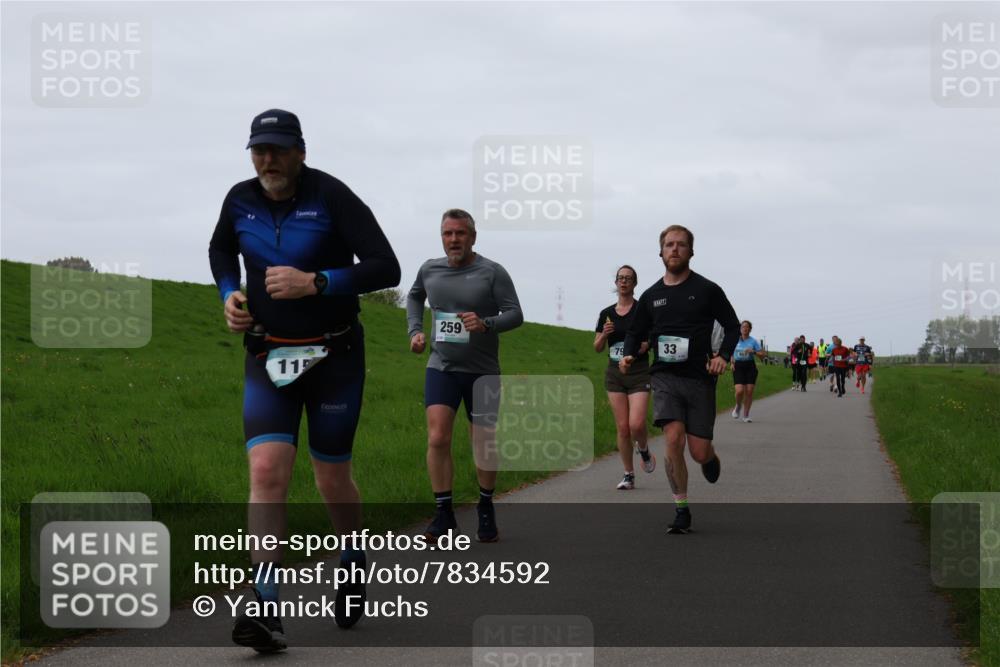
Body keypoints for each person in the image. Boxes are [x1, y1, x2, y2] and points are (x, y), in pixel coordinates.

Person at [209, 109, 401, 652]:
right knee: (266, 470)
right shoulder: (239, 199)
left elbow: (386, 267)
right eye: (259, 150)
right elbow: (220, 249)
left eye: (277, 149)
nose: (267, 160)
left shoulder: (332, 196)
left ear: (300, 152)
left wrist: (316, 282)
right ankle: (265, 605)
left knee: (330, 479)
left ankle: (352, 554)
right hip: (268, 355)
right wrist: (229, 293)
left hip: (334, 357)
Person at [407, 209, 523, 544]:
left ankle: (485, 505)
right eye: (448, 233)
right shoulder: (429, 269)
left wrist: (486, 323)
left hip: (482, 372)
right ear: (441, 237)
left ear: (473, 237)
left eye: (460, 233)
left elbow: (515, 314)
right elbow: (414, 296)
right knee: (437, 437)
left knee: (483, 442)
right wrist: (415, 331)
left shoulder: (492, 272)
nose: (454, 239)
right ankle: (444, 514)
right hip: (441, 366)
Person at [619, 225, 739, 534]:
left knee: (698, 452)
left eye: (681, 244)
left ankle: (709, 457)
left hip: (700, 378)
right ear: (660, 252)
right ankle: (681, 508)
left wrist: (723, 356)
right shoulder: (651, 296)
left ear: (691, 252)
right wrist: (628, 354)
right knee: (673, 437)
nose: (674, 249)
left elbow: (732, 326)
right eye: (669, 244)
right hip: (664, 377)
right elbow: (635, 331)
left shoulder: (708, 289)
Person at [594, 265, 655, 490]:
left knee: (636, 424)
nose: (623, 281)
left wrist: (641, 348)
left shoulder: (642, 310)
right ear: (616, 282)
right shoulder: (606, 314)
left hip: (638, 372)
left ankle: (644, 449)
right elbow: (597, 347)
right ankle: (628, 474)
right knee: (622, 428)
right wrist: (604, 335)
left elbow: (651, 339)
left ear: (634, 283)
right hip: (615, 374)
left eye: (628, 278)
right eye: (620, 278)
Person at [730, 320, 766, 422]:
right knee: (739, 391)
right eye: (743, 327)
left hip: (750, 366)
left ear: (750, 329)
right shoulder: (735, 340)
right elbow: (731, 353)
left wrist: (753, 351)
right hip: (738, 366)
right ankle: (738, 406)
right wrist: (732, 363)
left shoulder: (753, 341)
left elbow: (763, 355)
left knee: (749, 391)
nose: (744, 328)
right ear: (740, 329)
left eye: (747, 327)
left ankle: (746, 415)